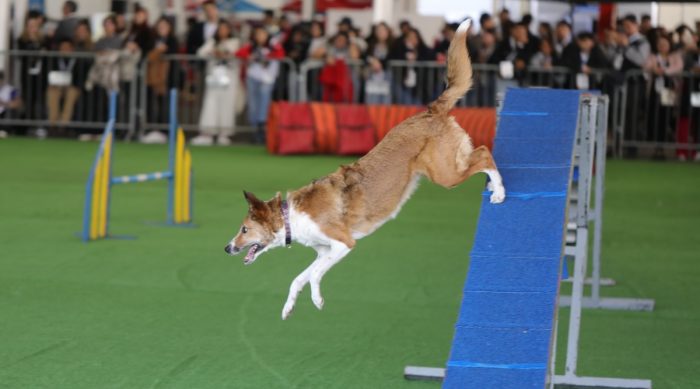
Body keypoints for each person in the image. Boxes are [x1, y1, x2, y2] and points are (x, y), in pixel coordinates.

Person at [192, 20, 241, 146]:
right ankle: (208, 132)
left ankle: (224, 133)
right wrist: (212, 52)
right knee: (211, 102)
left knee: (227, 103)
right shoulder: (212, 42)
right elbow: (200, 52)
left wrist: (225, 54)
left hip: (228, 77)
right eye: (221, 29)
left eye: (225, 29)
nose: (223, 31)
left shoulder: (234, 42)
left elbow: (236, 54)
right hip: (214, 76)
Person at [235, 26, 285, 144]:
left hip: (267, 79)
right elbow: (239, 53)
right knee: (253, 104)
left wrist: (269, 53)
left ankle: (262, 128)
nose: (260, 37)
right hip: (253, 77)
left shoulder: (273, 46)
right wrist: (249, 56)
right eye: (258, 34)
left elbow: (281, 54)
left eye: (262, 34)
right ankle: (254, 129)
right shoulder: (252, 47)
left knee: (264, 102)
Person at [644, 34, 683, 159]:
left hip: (668, 91)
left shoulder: (674, 57)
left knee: (665, 118)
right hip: (655, 91)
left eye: (665, 44)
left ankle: (662, 147)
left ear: (669, 45)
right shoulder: (653, 56)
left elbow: (678, 67)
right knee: (653, 117)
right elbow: (646, 65)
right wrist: (654, 69)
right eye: (659, 44)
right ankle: (656, 147)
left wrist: (665, 71)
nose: (662, 47)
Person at [142, 16, 179, 144]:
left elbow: (174, 53)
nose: (162, 28)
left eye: (165, 26)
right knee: (152, 104)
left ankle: (166, 131)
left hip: (168, 79)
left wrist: (161, 50)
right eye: (160, 26)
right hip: (152, 78)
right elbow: (147, 54)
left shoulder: (173, 40)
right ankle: (152, 129)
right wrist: (158, 50)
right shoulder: (152, 40)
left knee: (166, 105)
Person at [387, 27, 436, 105]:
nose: (412, 40)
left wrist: (416, 58)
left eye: (414, 37)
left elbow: (430, 60)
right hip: (403, 84)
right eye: (409, 38)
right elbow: (391, 59)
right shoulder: (399, 49)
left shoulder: (425, 51)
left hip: (419, 88)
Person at [16, 14, 48, 125]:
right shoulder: (21, 40)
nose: (32, 27)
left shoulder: (43, 39)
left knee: (39, 98)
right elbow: (22, 56)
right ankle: (27, 123)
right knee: (27, 97)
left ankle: (38, 123)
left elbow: (46, 54)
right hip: (27, 74)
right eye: (30, 25)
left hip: (40, 74)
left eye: (34, 25)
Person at [46, 38, 81, 128]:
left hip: (72, 87)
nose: (65, 50)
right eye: (63, 48)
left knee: (71, 93)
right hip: (57, 86)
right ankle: (53, 123)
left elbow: (80, 77)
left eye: (67, 48)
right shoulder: (54, 60)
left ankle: (63, 124)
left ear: (72, 49)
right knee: (52, 93)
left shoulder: (78, 61)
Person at [364, 22, 394, 104]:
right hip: (373, 77)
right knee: (371, 99)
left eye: (382, 30)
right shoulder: (371, 44)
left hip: (386, 76)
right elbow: (365, 56)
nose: (380, 32)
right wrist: (373, 62)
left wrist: (380, 63)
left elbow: (392, 58)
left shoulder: (393, 45)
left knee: (385, 100)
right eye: (378, 30)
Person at [0, 71, 22, 138]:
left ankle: (5, 130)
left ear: (2, 80)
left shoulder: (10, 90)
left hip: (4, 112)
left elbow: (17, 104)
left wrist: (4, 103)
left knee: (9, 111)